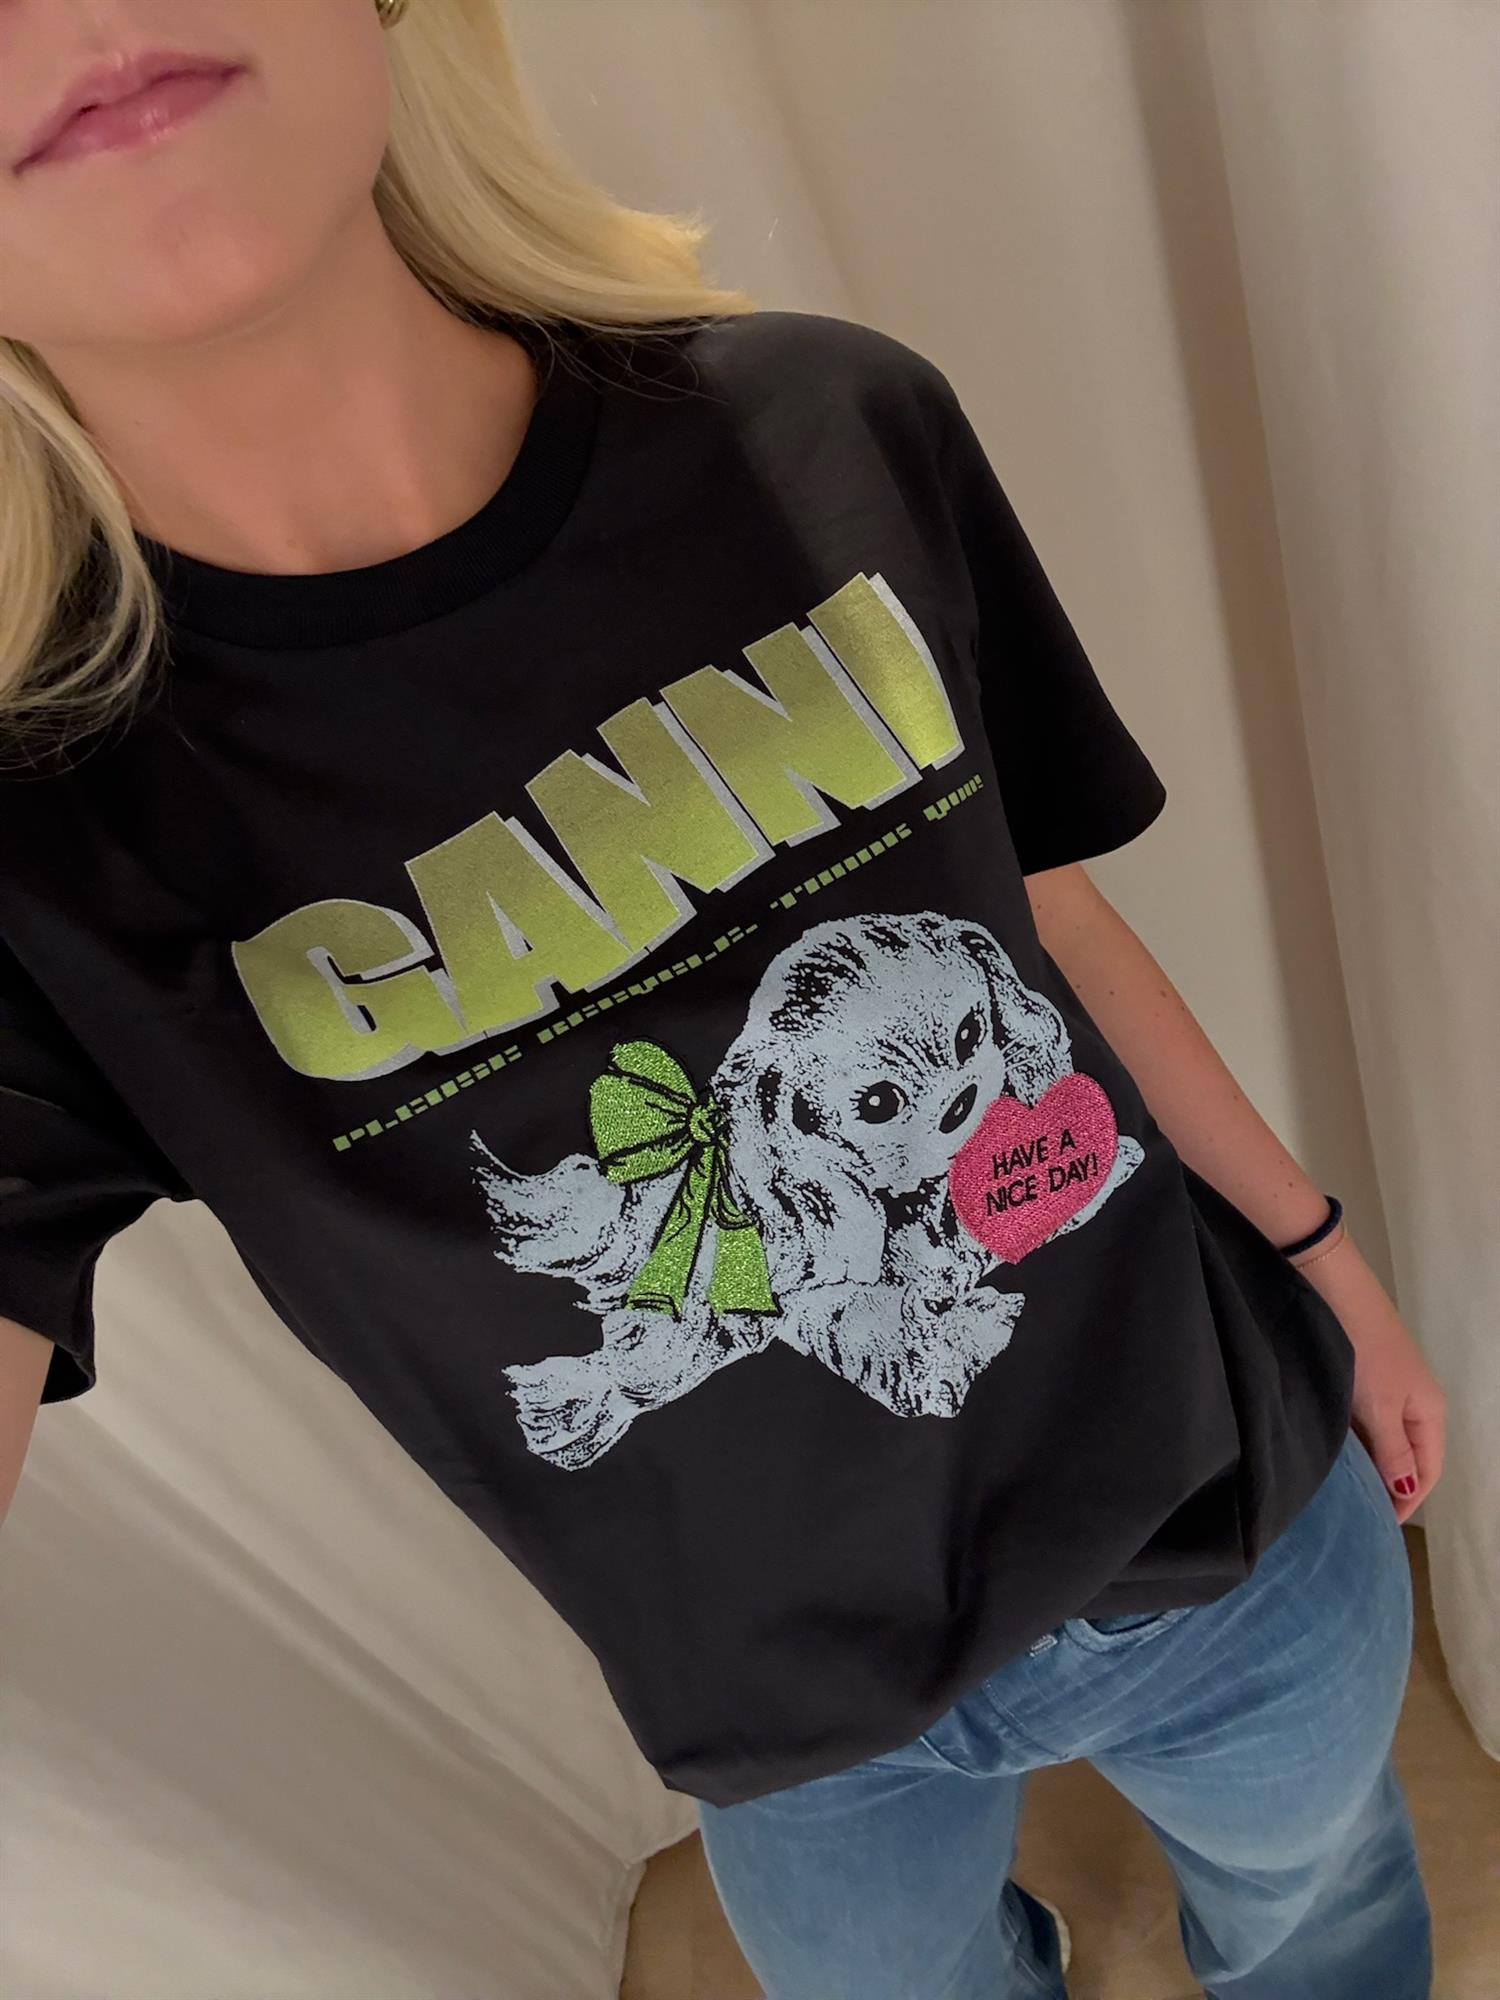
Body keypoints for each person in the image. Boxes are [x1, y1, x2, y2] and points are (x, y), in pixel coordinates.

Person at [0, 4, 1446, 1996]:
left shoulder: (831, 424)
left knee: (1326, 1916)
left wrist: (1321, 1255)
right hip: (797, 1727)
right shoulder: (47, 831)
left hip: (1228, 1522)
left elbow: (1048, 915)